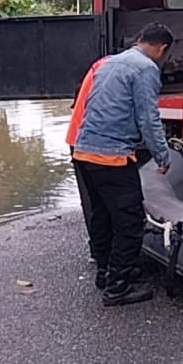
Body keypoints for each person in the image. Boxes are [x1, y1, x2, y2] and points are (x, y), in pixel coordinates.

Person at [71, 22, 174, 306]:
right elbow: (148, 118)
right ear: (162, 49)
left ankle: (105, 273)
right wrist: (162, 155)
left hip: (84, 152)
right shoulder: (145, 68)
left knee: (103, 216)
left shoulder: (109, 63)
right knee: (130, 222)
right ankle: (117, 288)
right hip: (112, 156)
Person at [66, 55, 110, 272]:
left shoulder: (101, 69)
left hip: (83, 142)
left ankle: (101, 254)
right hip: (87, 143)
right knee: (98, 203)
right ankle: (101, 254)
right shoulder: (111, 72)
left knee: (95, 203)